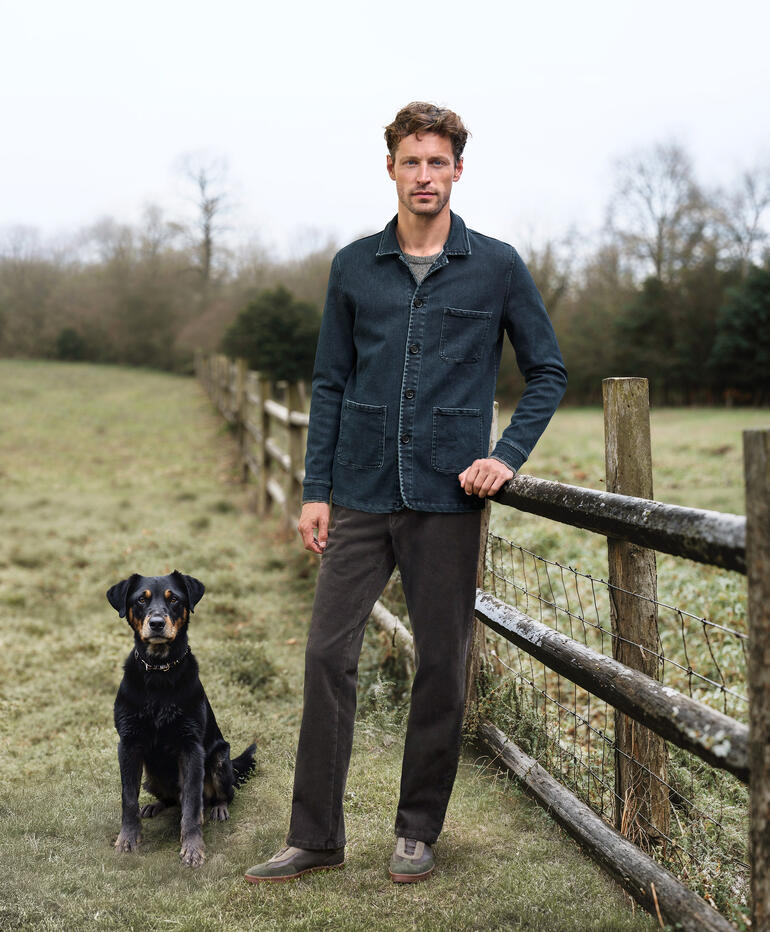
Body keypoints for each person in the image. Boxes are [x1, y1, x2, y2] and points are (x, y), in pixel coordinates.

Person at [245, 102, 567, 885]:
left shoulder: (497, 265)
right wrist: (316, 488)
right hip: (356, 492)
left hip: (447, 501)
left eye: (438, 161)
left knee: (442, 668)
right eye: (411, 161)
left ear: (459, 169)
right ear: (390, 168)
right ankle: (315, 836)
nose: (424, 175)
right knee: (327, 654)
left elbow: (548, 371)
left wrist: (507, 456)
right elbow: (329, 380)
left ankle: (417, 830)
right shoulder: (354, 266)